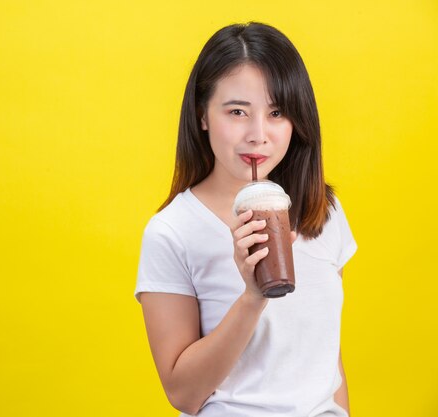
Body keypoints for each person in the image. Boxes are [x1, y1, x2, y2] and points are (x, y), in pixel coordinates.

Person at [134, 22, 357, 417]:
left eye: (277, 112)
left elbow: (328, 361)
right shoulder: (172, 232)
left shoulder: (321, 211)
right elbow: (183, 394)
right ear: (202, 115)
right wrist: (253, 298)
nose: (258, 135)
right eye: (237, 111)